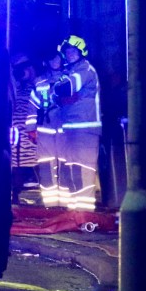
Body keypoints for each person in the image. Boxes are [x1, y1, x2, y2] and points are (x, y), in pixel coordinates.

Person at [54, 34, 102, 211]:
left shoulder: (85, 70)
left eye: (73, 50)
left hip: (85, 129)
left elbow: (65, 88)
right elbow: (56, 93)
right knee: (72, 170)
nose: (70, 54)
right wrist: (63, 94)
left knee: (83, 169)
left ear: (81, 51)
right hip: (70, 130)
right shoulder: (70, 72)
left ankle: (84, 211)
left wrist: (64, 93)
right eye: (67, 51)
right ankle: (75, 209)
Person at [30, 51, 67, 206]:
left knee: (65, 165)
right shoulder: (40, 82)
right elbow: (32, 106)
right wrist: (31, 128)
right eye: (51, 58)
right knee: (46, 165)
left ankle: (66, 203)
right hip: (45, 129)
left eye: (56, 58)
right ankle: (50, 204)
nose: (54, 61)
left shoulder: (70, 78)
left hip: (66, 130)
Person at [9, 53, 40, 204]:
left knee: (30, 161)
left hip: (31, 132)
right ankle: (16, 192)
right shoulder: (16, 88)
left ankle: (30, 185)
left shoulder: (36, 85)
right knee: (15, 163)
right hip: (15, 134)